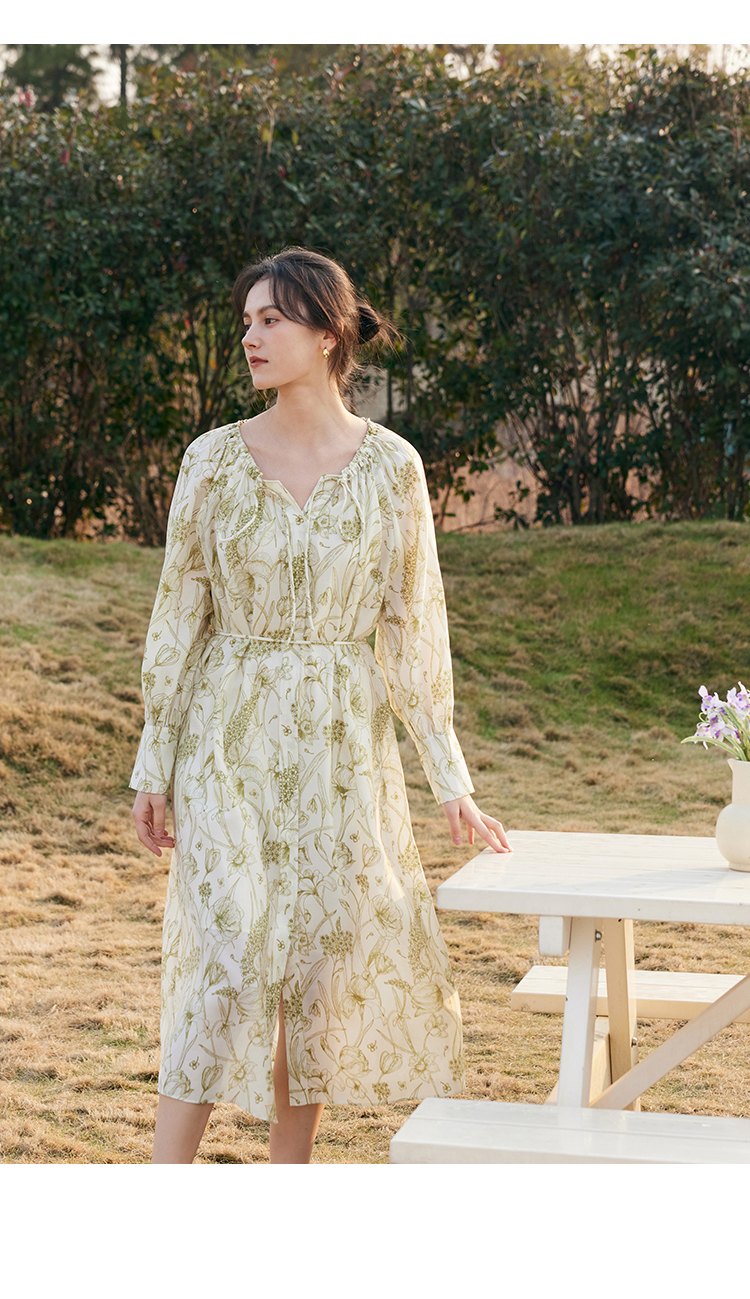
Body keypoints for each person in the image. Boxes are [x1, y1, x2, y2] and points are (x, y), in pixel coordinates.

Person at [130, 245, 511, 1165]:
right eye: (247, 321)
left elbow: (414, 627)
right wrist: (155, 762)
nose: (251, 337)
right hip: (228, 738)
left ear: (329, 333)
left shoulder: (392, 469)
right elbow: (178, 617)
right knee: (226, 964)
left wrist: (449, 778)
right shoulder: (212, 462)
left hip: (345, 745)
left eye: (272, 319)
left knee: (315, 975)